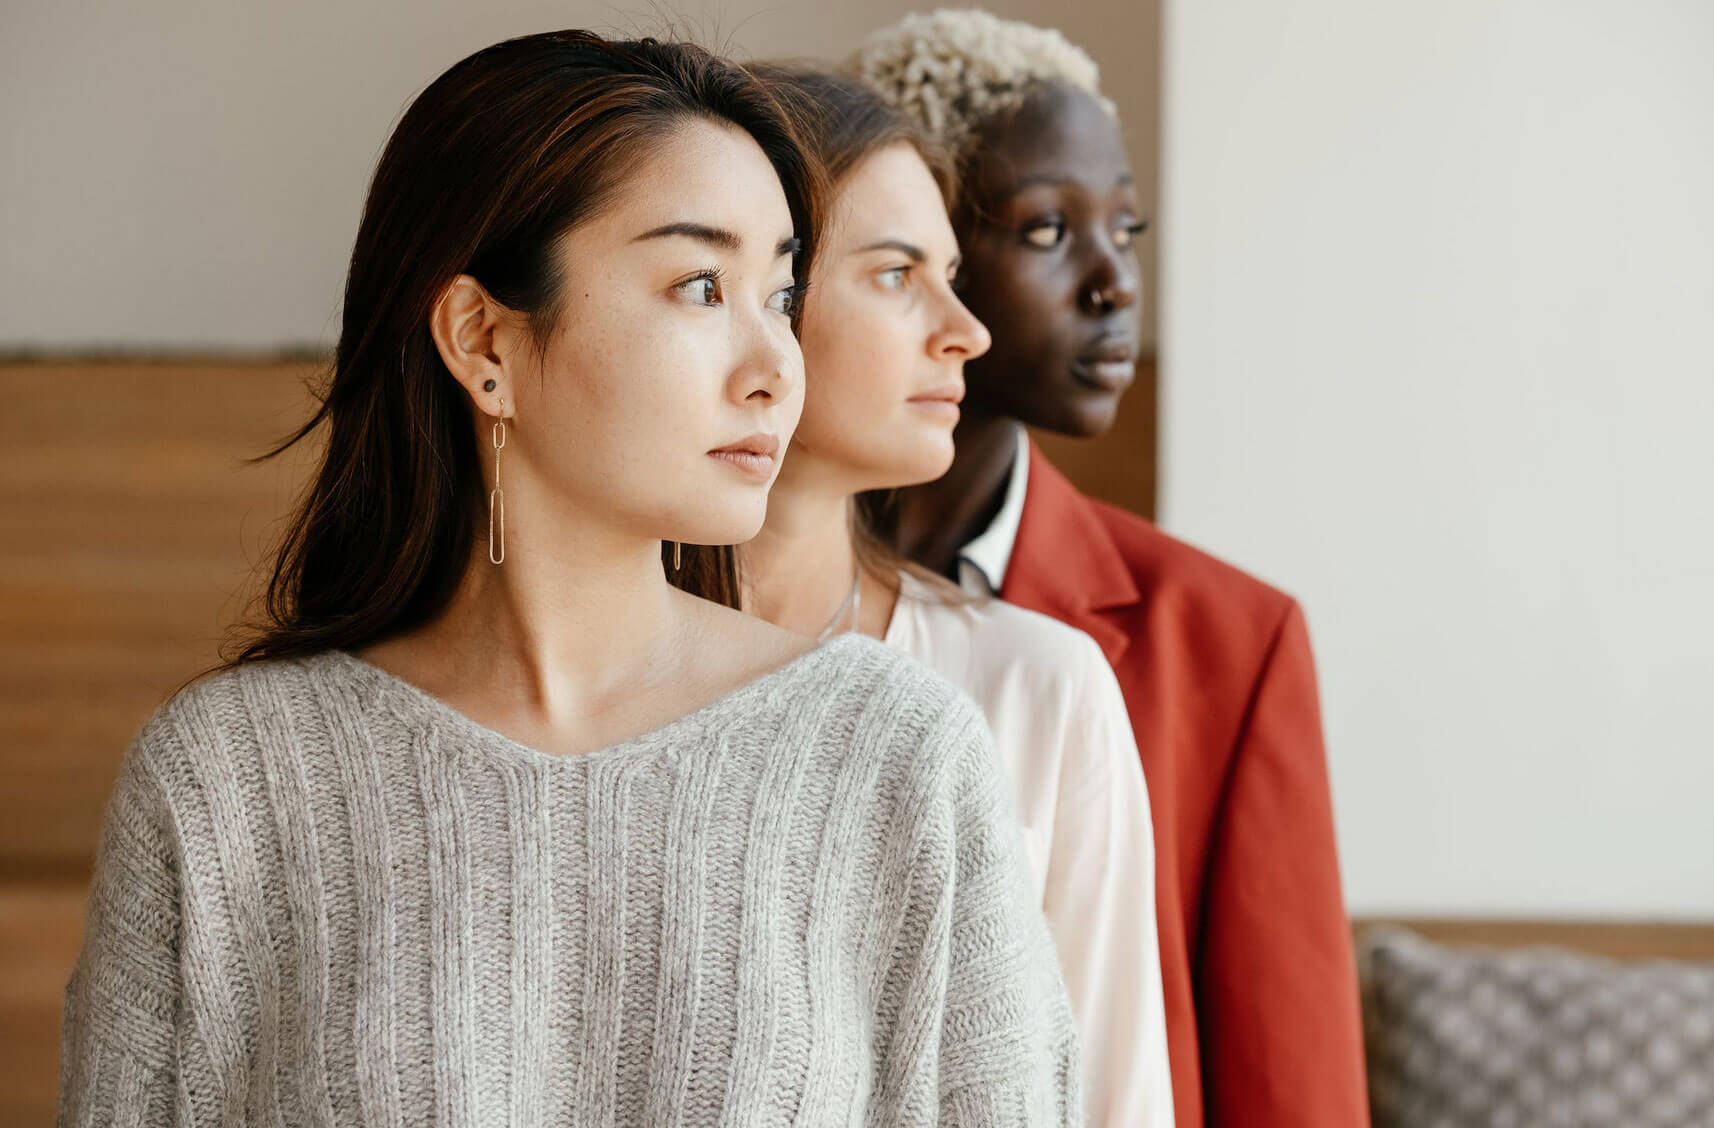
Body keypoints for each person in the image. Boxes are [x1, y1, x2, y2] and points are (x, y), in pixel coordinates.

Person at [58, 31, 1080, 1126]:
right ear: (482, 338)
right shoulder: (227, 785)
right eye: (698, 284)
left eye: (779, 293)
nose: (775, 364)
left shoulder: (897, 759)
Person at [852, 11, 1370, 1128]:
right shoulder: (701, 598)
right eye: (1046, 231)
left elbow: (1292, 1088)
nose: (1115, 283)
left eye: (1124, 229)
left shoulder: (1227, 641)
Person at [742, 67, 1173, 1128]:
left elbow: (1114, 1101)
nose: (964, 332)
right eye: (896, 274)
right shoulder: (562, 682)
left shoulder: (1040, 686)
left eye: (950, 271)